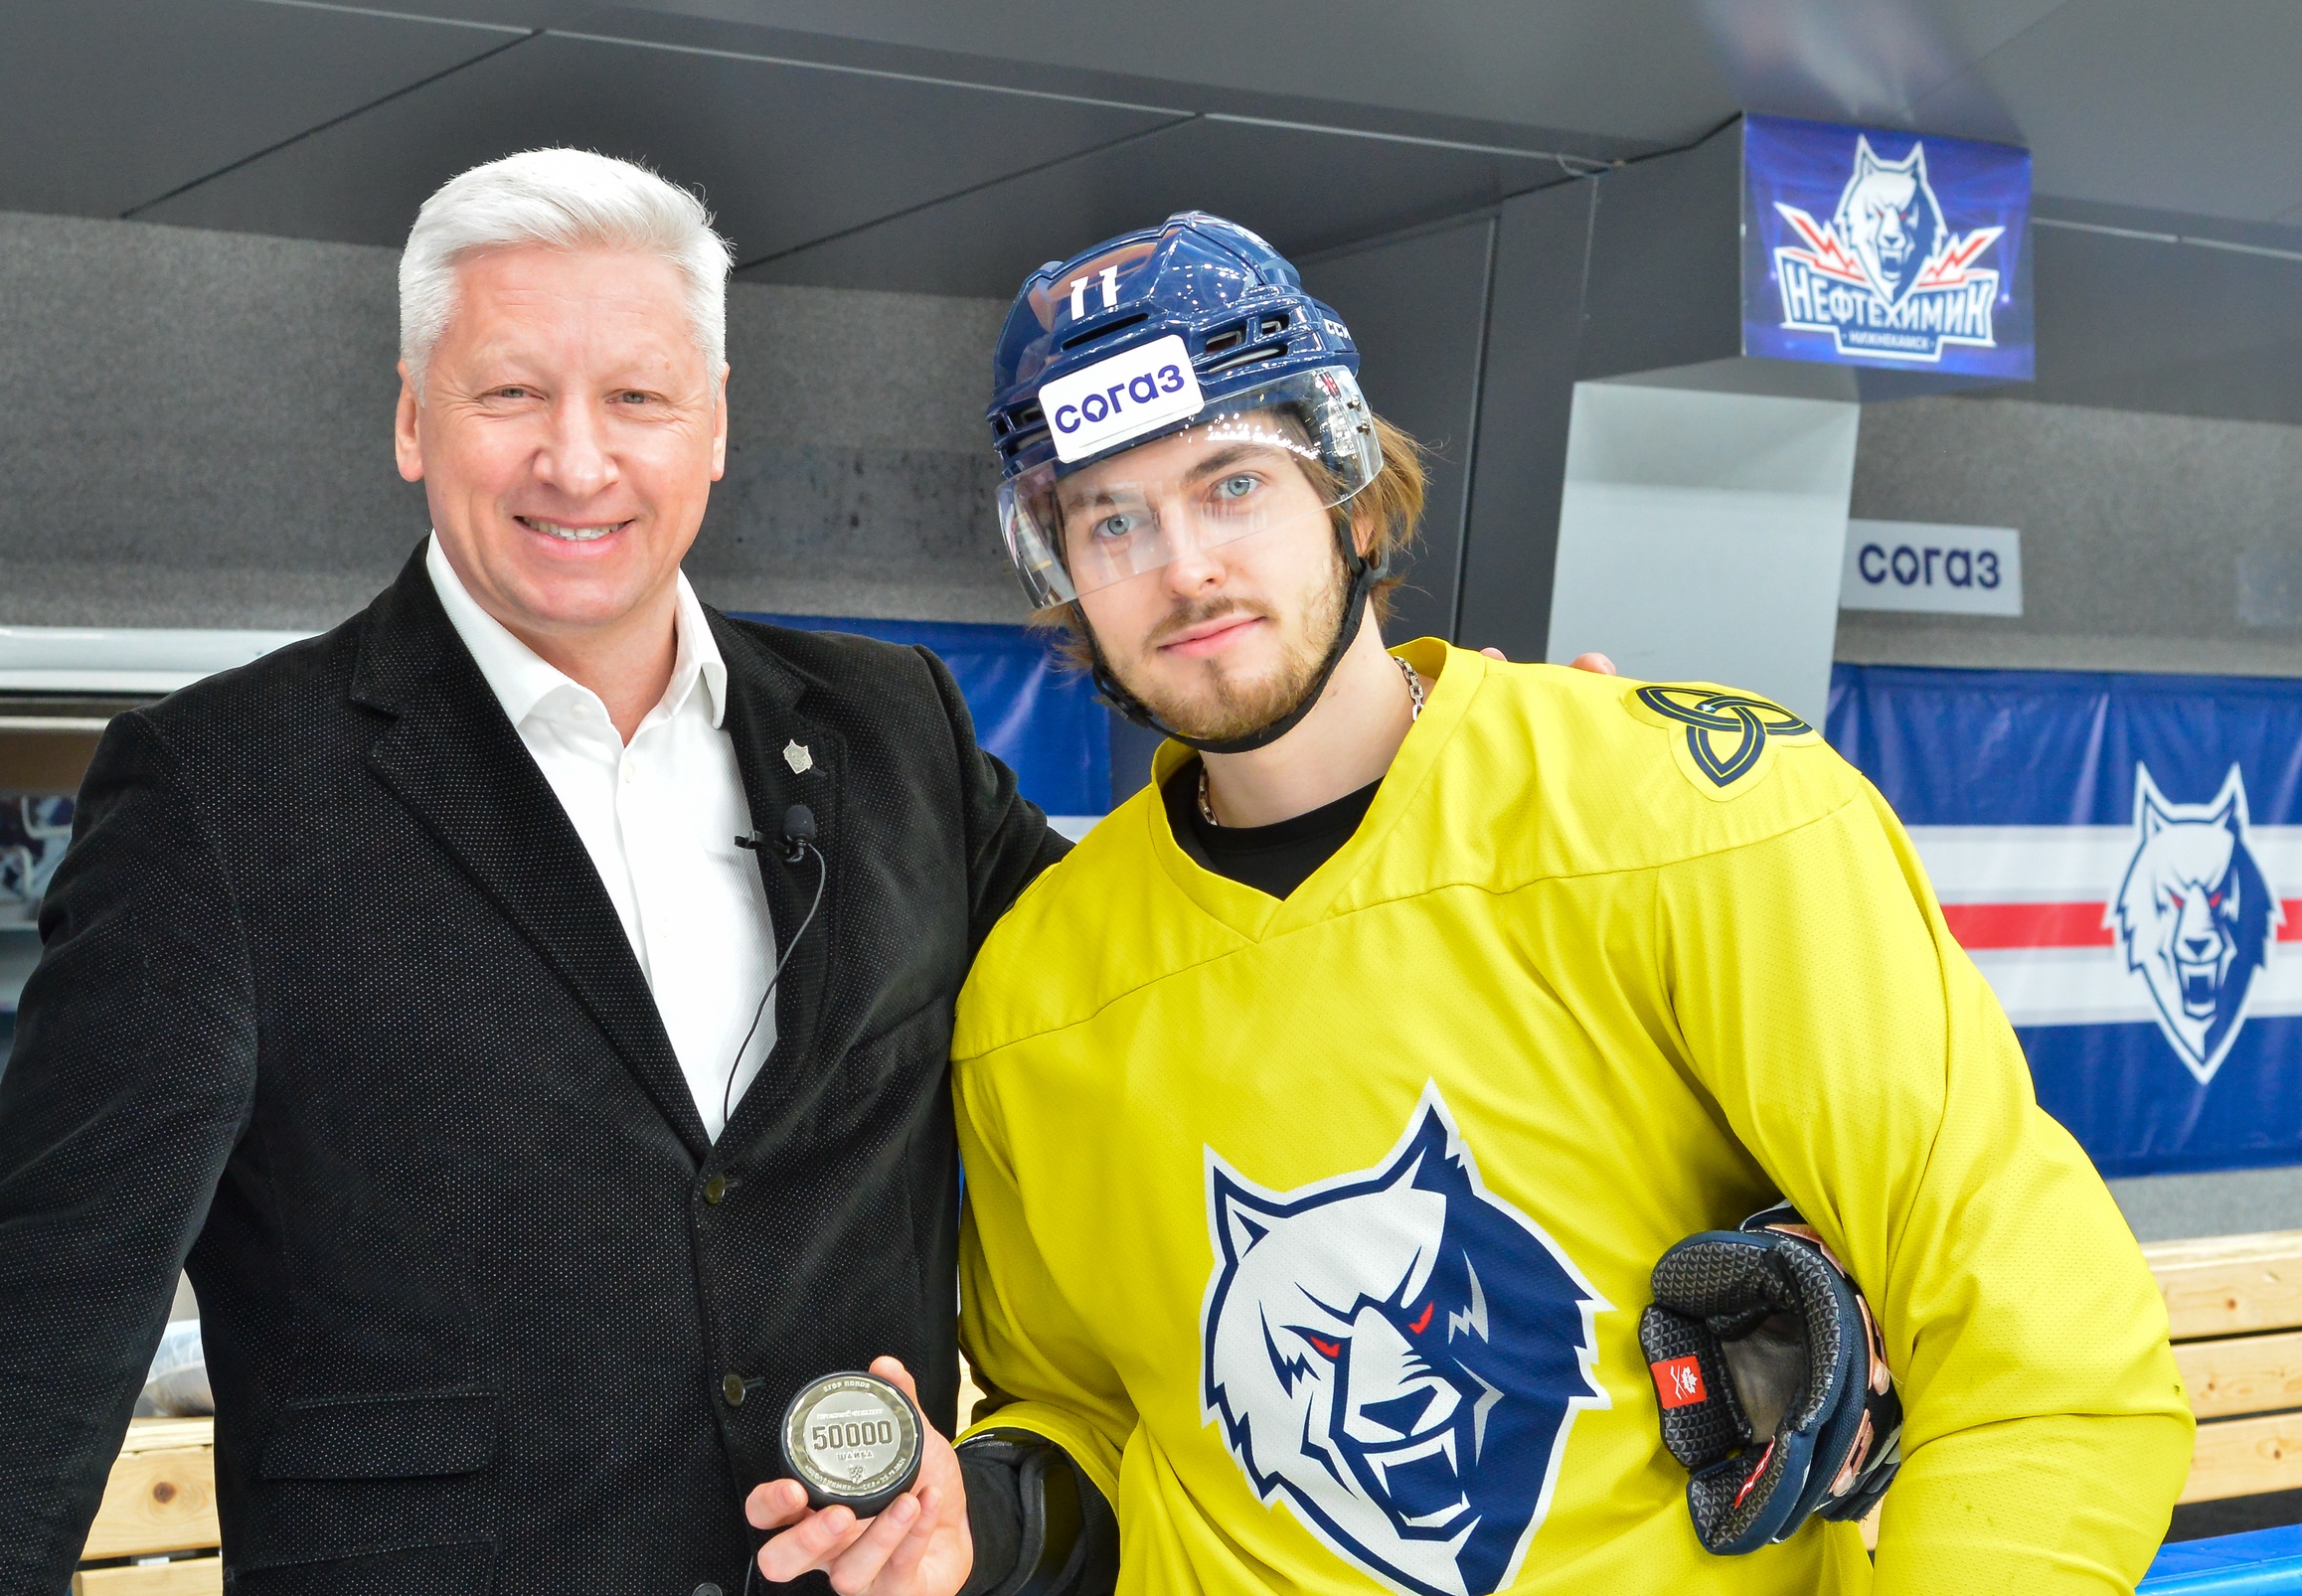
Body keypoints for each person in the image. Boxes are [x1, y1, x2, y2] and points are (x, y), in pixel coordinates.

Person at [748, 213, 2194, 1595]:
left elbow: (2044, 1358)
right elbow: (1095, 1417)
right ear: (1061, 571)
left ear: (1348, 486)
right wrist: (991, 1521)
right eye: (1111, 521)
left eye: (1233, 484)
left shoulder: (1691, 817)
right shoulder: (1033, 996)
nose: (1183, 568)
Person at [0, 149, 1067, 1596]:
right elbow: (32, 1322)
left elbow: (1150, 984)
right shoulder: (221, 791)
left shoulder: (894, 730)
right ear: (413, 419)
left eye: (638, 397)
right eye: (511, 393)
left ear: (718, 423)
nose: (579, 462)